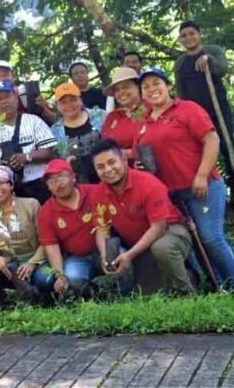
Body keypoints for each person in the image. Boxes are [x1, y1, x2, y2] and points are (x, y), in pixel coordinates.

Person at [136, 67, 234, 287]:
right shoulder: (144, 124)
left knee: (211, 238)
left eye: (156, 83)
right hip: (173, 196)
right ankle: (218, 286)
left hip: (204, 186)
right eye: (146, 87)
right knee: (197, 242)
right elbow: (140, 156)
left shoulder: (188, 109)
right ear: (142, 95)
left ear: (167, 85)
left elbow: (212, 140)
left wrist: (201, 175)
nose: (152, 90)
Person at [91, 139, 193, 295]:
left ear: (124, 159)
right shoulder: (98, 192)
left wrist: (129, 255)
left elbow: (158, 228)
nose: (108, 170)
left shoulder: (148, 183)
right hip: (140, 244)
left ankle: (186, 292)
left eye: (112, 162)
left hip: (170, 231)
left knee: (162, 248)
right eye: (100, 167)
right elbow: (102, 228)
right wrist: (105, 256)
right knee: (148, 295)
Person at [0, 166, 53, 306]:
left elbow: (46, 240)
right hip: (5, 267)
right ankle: (3, 302)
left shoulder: (31, 204)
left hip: (33, 263)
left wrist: (32, 263)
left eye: (2, 182)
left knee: (46, 279)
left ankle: (42, 297)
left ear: (11, 184)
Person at [0, 81, 57, 204]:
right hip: (9, 189)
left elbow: (49, 151)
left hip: (40, 184)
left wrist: (27, 157)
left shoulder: (34, 121)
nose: (4, 101)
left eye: (7, 96)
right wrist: (2, 170)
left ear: (16, 98)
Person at [175, 20, 234, 189]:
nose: (188, 38)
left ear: (200, 35)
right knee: (201, 153)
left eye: (192, 33)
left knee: (228, 146)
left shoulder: (213, 50)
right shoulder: (180, 62)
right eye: (184, 36)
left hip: (218, 110)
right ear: (181, 39)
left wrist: (208, 59)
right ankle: (212, 189)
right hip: (196, 117)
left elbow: (222, 69)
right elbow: (181, 91)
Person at [37, 159, 101, 296]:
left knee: (121, 260)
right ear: (48, 187)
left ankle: (129, 296)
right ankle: (94, 301)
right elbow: (51, 246)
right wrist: (60, 276)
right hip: (77, 258)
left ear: (73, 177)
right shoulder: (46, 211)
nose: (58, 184)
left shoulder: (94, 192)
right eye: (51, 181)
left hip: (105, 248)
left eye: (61, 177)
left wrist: (108, 255)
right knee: (71, 278)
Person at [49, 82, 106, 183]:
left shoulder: (100, 116)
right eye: (63, 102)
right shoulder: (54, 131)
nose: (69, 105)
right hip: (79, 184)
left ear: (80, 100)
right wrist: (65, 164)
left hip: (107, 173)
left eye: (73, 100)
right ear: (57, 106)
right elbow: (56, 161)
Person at [100, 67, 146, 161]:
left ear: (138, 87)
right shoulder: (112, 117)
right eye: (117, 90)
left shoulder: (149, 109)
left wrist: (128, 153)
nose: (121, 92)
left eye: (126, 87)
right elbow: (104, 146)